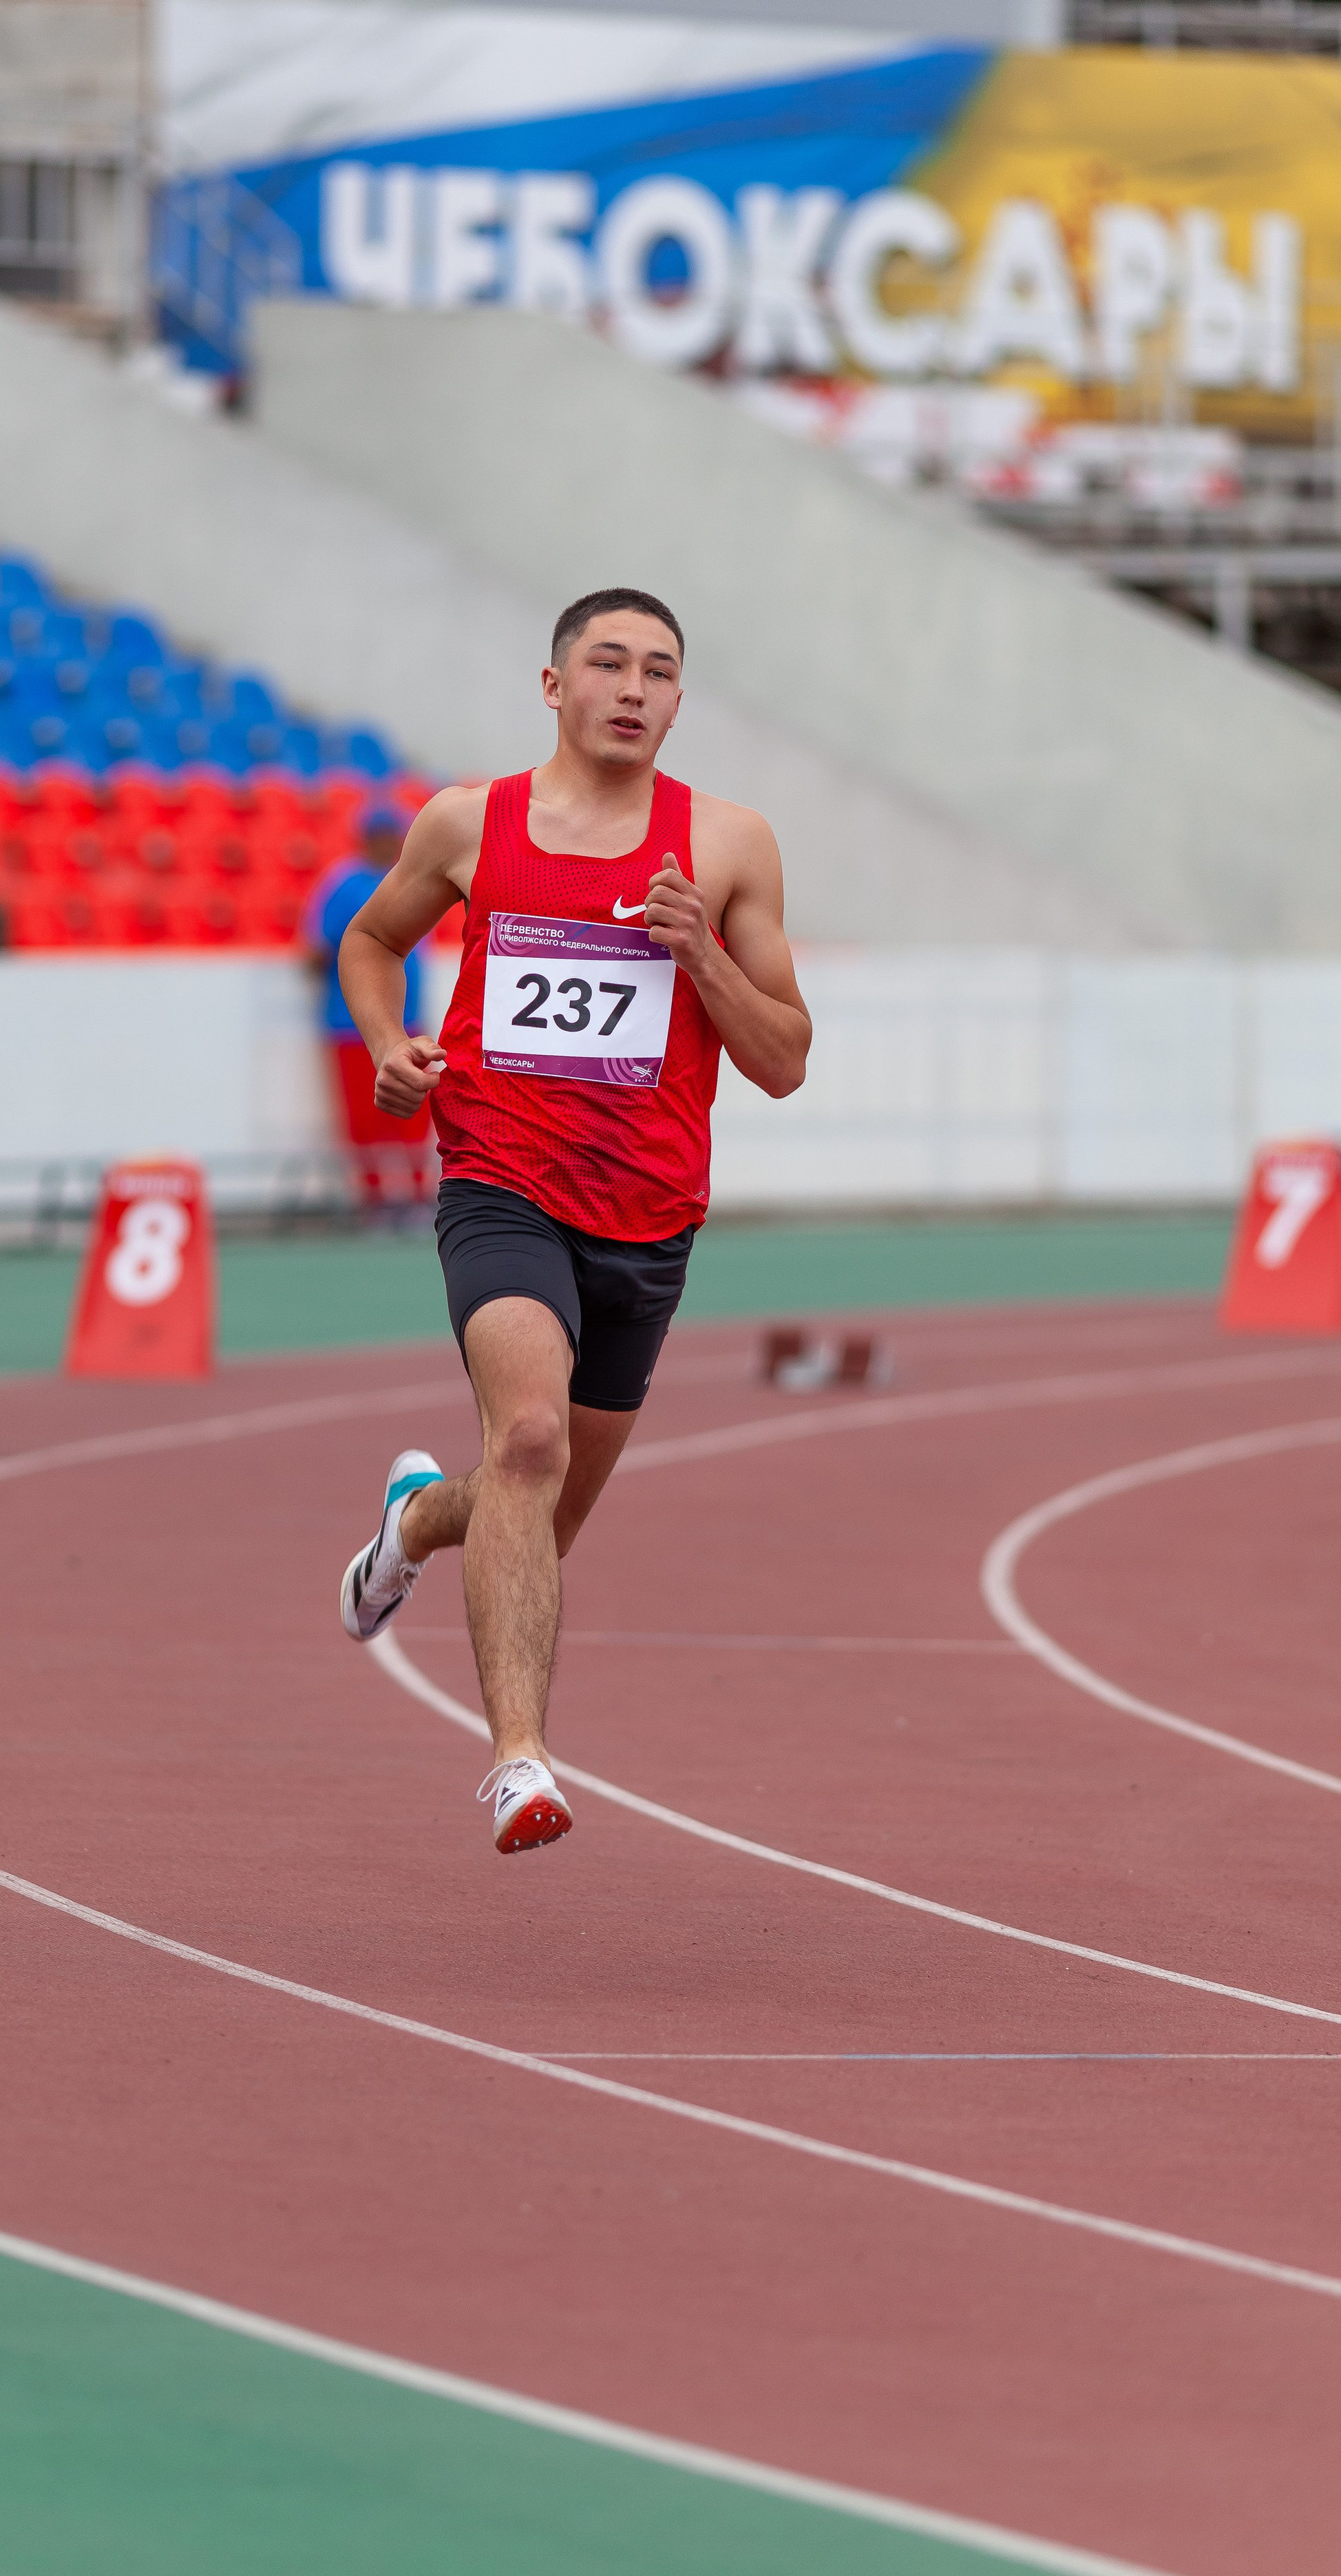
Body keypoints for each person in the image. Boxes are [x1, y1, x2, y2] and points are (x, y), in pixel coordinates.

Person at [336, 588, 810, 1854]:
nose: (634, 687)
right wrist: (389, 1046)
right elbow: (372, 942)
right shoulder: (468, 824)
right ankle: (518, 1761)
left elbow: (785, 1059)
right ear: (555, 687)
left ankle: (414, 1521)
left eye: (659, 670)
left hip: (648, 1221)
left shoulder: (727, 845)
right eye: (608, 662)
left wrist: (702, 956)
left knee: (527, 1510)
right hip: (501, 1181)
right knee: (531, 1434)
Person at [302, 806, 436, 1212]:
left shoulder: (408, 880)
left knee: (414, 1112)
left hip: (407, 1018)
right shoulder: (345, 885)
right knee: (364, 1116)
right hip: (350, 1024)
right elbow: (315, 953)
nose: (385, 841)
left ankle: (416, 1194)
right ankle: (375, 1199)